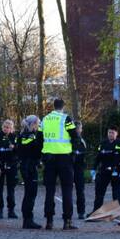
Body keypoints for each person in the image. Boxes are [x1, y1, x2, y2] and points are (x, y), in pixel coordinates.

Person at [40, 98, 79, 230]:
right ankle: (67, 221)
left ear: (53, 106)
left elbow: (39, 139)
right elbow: (75, 136)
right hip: (64, 158)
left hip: (49, 158)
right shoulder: (65, 118)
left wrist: (42, 155)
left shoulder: (45, 119)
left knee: (49, 190)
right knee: (67, 189)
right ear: (63, 107)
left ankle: (49, 221)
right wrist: (73, 153)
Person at [93, 126, 120, 212]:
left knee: (116, 192)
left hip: (116, 171)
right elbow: (98, 157)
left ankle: (118, 211)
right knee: (99, 192)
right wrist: (94, 168)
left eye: (112, 132)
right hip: (104, 170)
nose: (110, 134)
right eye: (109, 132)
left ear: (116, 134)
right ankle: (96, 211)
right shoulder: (103, 144)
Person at [18, 115, 43, 229]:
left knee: (29, 193)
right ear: (33, 124)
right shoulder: (29, 136)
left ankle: (27, 219)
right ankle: (28, 220)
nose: (39, 126)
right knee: (30, 194)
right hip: (29, 168)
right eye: (38, 124)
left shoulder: (24, 135)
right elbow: (35, 151)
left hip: (27, 166)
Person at [0, 119, 20, 219]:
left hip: (11, 165)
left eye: (8, 127)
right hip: (0, 165)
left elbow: (20, 150)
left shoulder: (14, 137)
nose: (6, 129)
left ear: (12, 128)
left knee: (11, 189)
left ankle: (11, 211)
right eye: (5, 127)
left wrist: (14, 147)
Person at [72, 122, 89, 220]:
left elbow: (84, 155)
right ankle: (68, 212)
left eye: (80, 128)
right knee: (68, 191)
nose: (80, 130)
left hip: (79, 169)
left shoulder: (82, 141)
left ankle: (81, 212)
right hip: (70, 168)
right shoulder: (69, 140)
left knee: (80, 191)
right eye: (79, 128)